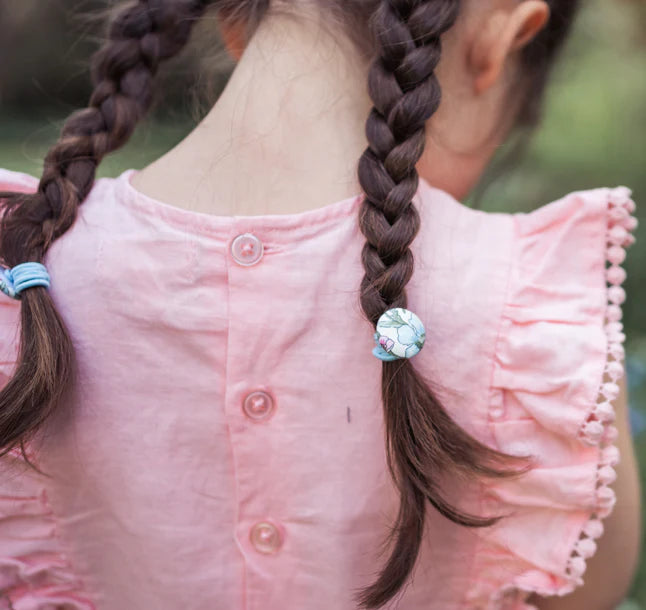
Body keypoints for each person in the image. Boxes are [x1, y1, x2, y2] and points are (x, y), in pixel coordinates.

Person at [0, 0, 641, 608]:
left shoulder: (24, 279)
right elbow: (591, 586)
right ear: (503, 37)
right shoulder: (540, 310)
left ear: (231, 19)